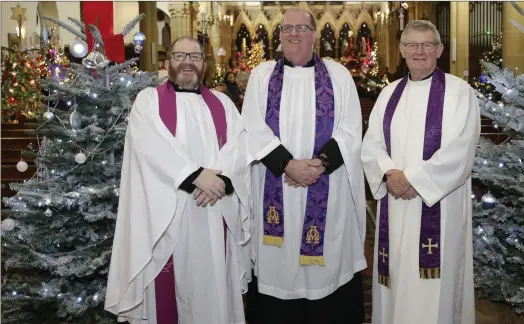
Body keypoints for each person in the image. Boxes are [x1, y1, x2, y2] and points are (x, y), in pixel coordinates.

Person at [105, 36, 251, 324]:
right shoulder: (148, 102)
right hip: (168, 215)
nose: (187, 62)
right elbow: (148, 145)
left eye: (195, 57)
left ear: (204, 64)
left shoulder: (223, 103)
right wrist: (196, 176)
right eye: (180, 55)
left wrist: (218, 182)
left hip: (214, 212)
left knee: (214, 287)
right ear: (168, 61)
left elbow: (239, 147)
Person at [241, 7, 367, 324]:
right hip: (277, 186)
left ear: (314, 33)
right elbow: (252, 128)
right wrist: (286, 165)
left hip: (327, 187)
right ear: (279, 35)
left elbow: (351, 129)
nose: (293, 34)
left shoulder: (338, 76)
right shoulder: (262, 76)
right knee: (278, 267)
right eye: (286, 29)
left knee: (326, 268)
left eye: (300, 27)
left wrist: (318, 166)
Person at [361, 20, 480, 324]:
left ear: (439, 50)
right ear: (401, 50)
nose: (419, 51)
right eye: (412, 45)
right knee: (397, 275)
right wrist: (389, 174)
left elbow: (461, 149)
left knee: (434, 288)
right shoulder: (388, 94)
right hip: (395, 203)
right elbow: (372, 143)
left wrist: (412, 179)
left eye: (427, 45)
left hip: (438, 205)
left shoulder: (459, 93)